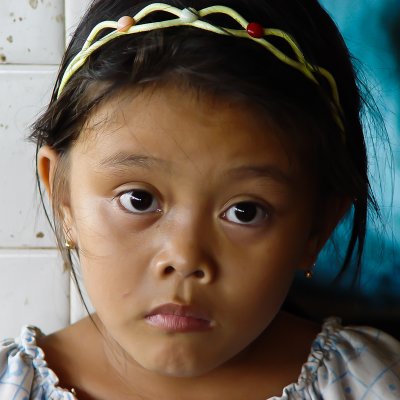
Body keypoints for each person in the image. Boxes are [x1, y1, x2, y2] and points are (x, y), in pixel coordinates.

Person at [1, 0, 399, 398]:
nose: (185, 257)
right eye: (138, 200)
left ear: (317, 227)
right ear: (64, 195)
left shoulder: (372, 383)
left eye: (245, 211)